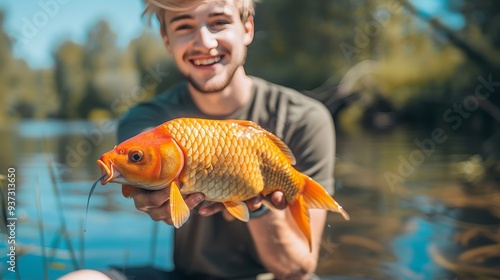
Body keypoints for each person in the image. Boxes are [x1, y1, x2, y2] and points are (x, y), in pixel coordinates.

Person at [61, 0, 336, 279]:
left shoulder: (305, 118)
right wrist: (151, 195)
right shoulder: (146, 120)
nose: (204, 42)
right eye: (184, 26)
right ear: (167, 42)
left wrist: (256, 209)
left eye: (219, 22)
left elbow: (298, 269)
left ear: (247, 29)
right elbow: (148, 176)